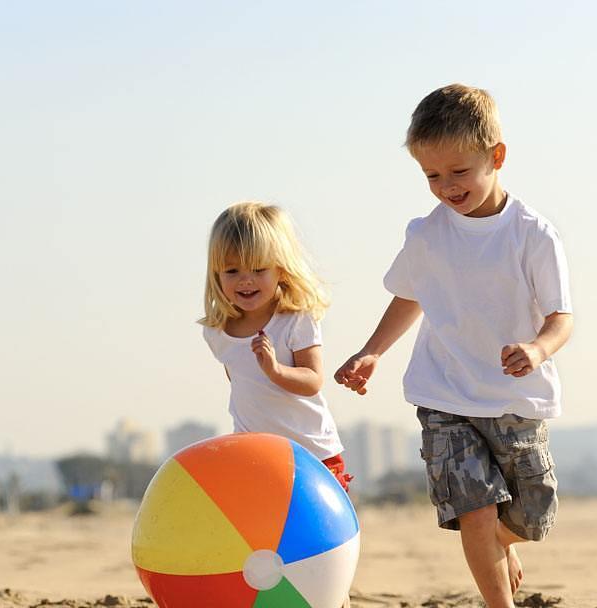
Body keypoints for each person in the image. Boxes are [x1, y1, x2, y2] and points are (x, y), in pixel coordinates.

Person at [334, 84, 573, 608]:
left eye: (458, 172)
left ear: (497, 156)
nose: (446, 187)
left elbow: (561, 318)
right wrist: (372, 350)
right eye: (431, 176)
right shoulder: (427, 235)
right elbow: (408, 297)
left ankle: (495, 547)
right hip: (443, 395)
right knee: (476, 509)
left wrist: (536, 349)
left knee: (533, 515)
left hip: (515, 399)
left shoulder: (532, 235)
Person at [201, 201, 352, 492]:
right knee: (261, 535)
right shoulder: (217, 332)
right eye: (232, 271)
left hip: (312, 453)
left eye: (258, 269)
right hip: (256, 455)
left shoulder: (295, 319)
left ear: (280, 270)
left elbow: (312, 381)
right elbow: (242, 386)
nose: (246, 280)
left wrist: (275, 369)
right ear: (216, 274)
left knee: (315, 535)